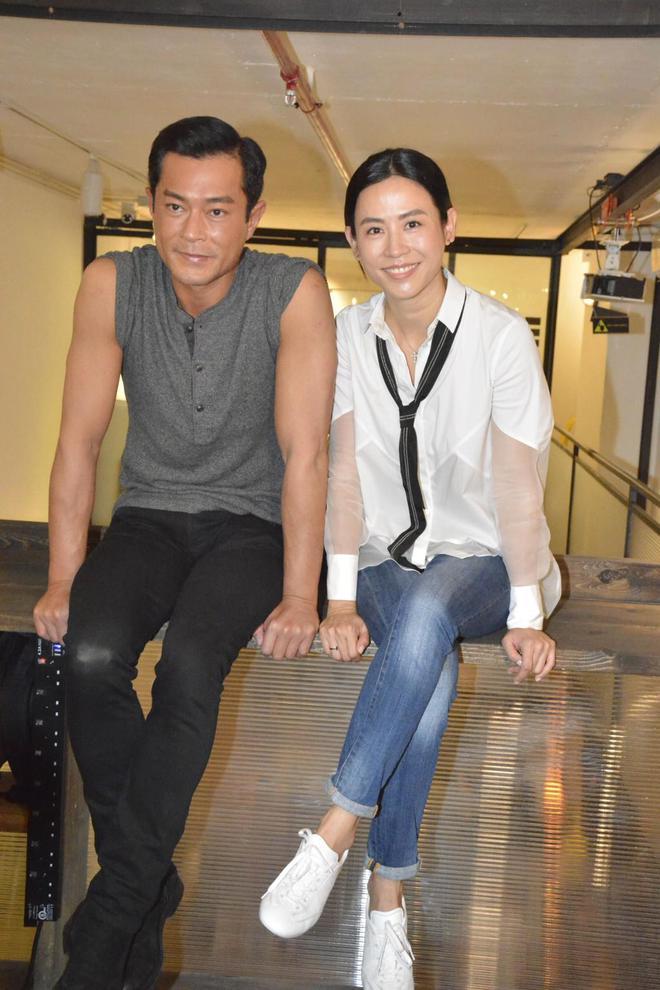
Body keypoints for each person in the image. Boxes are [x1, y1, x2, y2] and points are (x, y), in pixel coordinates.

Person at [32, 115, 336, 990]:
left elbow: (307, 453)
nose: (193, 231)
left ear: (253, 214)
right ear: (152, 205)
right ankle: (146, 884)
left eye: (217, 210)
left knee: (193, 664)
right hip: (147, 519)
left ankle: (108, 922)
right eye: (175, 206)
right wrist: (62, 577)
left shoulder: (293, 289)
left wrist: (301, 594)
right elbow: (78, 441)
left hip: (250, 526)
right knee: (89, 654)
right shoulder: (112, 282)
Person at [259, 148, 561, 990]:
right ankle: (386, 900)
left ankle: (334, 830)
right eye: (373, 230)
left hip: (491, 562)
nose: (395, 248)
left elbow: (517, 482)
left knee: (433, 610)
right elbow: (343, 475)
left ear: (448, 227)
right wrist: (341, 601)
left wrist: (528, 615)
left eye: (413, 224)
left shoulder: (499, 336)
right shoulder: (346, 338)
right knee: (429, 661)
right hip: (385, 566)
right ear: (353, 242)